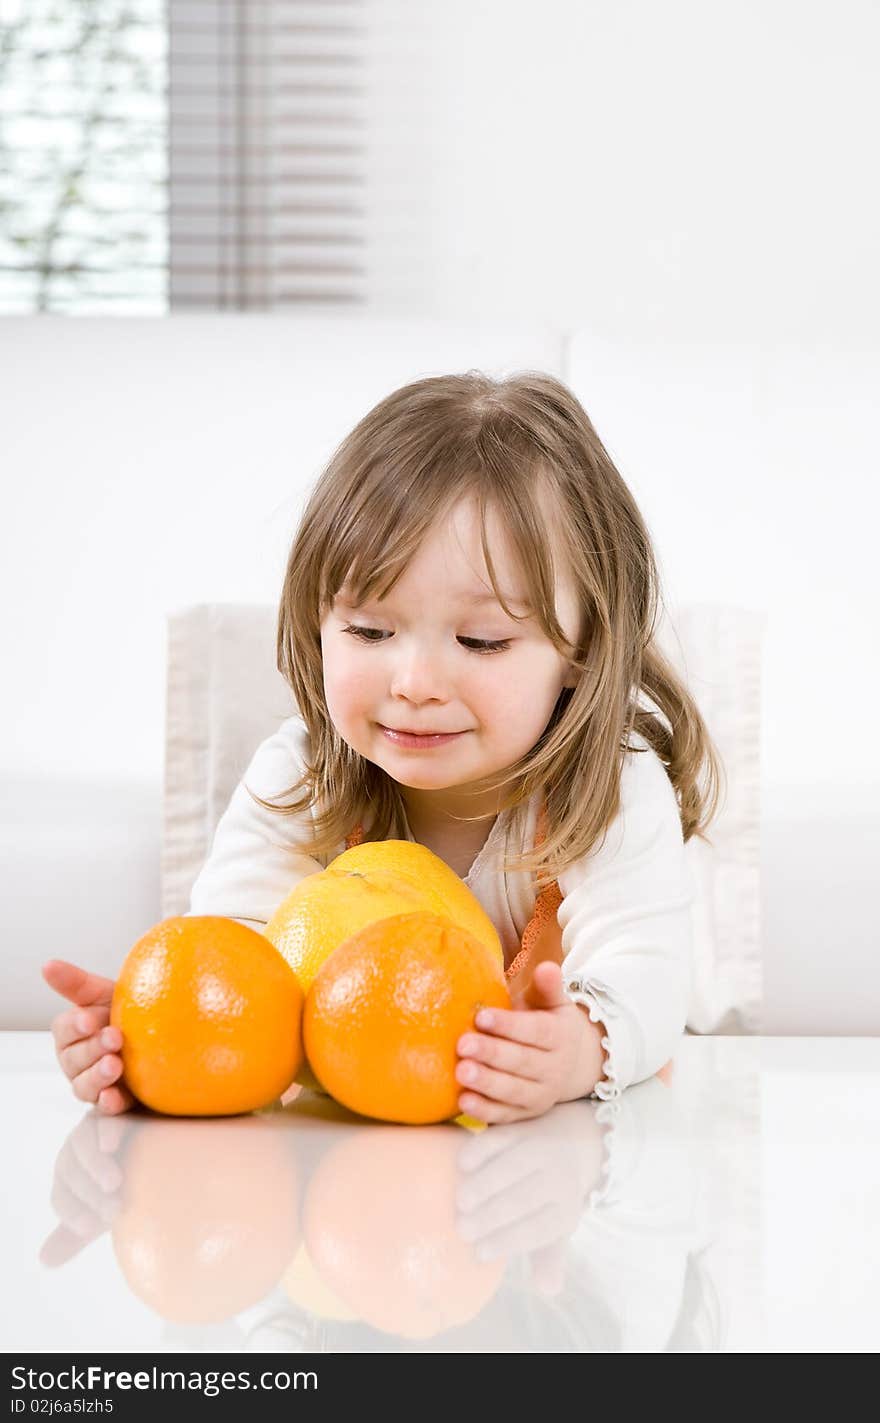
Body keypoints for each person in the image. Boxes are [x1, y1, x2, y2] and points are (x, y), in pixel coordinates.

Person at [42, 370, 723, 1123]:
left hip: (558, 1186)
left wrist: (576, 1048)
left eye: (482, 639)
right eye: (369, 630)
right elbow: (238, 958)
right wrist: (156, 1035)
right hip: (347, 1179)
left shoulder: (612, 787)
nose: (416, 681)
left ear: (583, 647)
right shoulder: (304, 773)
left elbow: (650, 976)